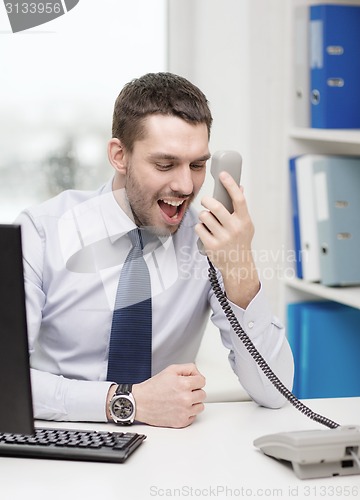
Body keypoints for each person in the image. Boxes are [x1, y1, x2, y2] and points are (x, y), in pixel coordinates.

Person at [17, 72, 294, 429]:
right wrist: (124, 402)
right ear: (119, 156)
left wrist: (239, 265)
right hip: (60, 438)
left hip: (166, 450)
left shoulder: (208, 242)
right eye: (165, 165)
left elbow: (276, 391)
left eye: (197, 165)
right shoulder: (41, 232)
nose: (184, 185)